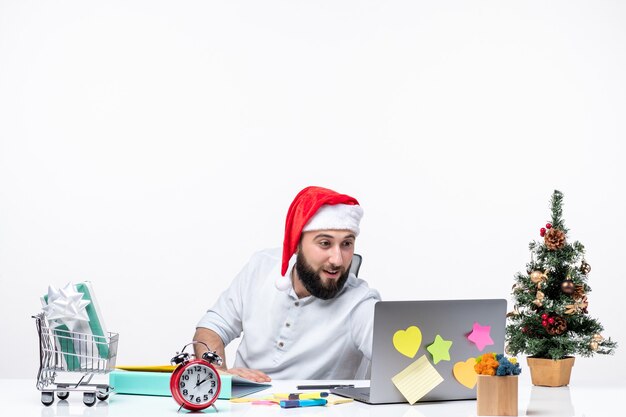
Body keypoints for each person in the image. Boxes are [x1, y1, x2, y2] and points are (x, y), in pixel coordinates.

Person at [193, 186, 381, 382]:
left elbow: (405, 368)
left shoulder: (361, 303)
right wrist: (218, 374)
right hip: (242, 405)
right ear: (296, 244)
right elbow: (211, 327)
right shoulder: (261, 266)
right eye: (325, 243)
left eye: (346, 244)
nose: (337, 260)